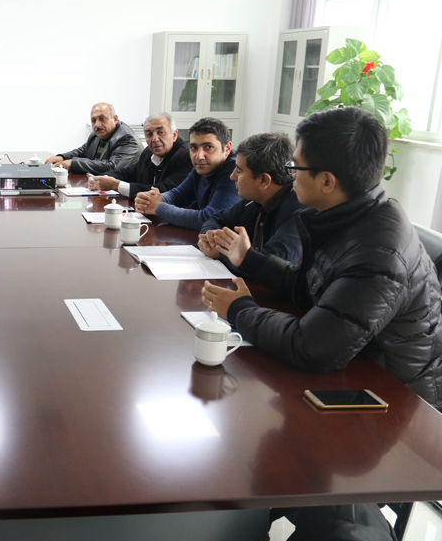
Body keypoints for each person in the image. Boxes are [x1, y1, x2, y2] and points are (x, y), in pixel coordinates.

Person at [202, 107, 442, 411]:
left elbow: (311, 347)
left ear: (327, 182)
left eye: (296, 167)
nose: (290, 175)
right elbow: (309, 285)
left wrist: (238, 309)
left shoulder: (379, 254)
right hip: (356, 371)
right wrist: (248, 259)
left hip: (394, 401)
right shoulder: (352, 215)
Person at [198, 132, 302, 276]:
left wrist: (222, 253)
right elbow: (215, 220)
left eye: (239, 170)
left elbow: (270, 269)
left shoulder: (298, 213)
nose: (232, 176)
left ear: (264, 181)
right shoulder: (254, 199)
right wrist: (211, 238)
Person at [134, 116, 239, 231]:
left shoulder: (235, 172)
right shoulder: (203, 166)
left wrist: (158, 207)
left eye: (209, 147)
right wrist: (149, 200)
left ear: (227, 148)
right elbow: (178, 195)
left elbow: (210, 219)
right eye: (194, 147)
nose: (199, 156)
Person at [86, 112, 192, 200]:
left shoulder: (187, 155)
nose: (155, 139)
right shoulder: (149, 152)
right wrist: (102, 179)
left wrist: (116, 185)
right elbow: (128, 172)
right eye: (149, 134)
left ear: (174, 135)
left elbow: (165, 191)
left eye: (160, 132)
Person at [44, 103, 140, 175]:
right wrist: (63, 157)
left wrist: (74, 164)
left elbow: (112, 167)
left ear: (115, 119)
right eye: (93, 120)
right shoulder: (96, 134)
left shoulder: (127, 139)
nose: (97, 125)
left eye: (102, 119)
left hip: (123, 192)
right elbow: (83, 151)